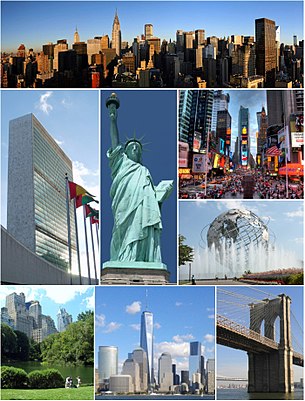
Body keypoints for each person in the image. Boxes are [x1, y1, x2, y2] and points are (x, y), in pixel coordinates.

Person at [106, 93, 173, 263]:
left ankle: (140, 258)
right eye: (131, 146)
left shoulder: (144, 171)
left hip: (143, 207)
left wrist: (161, 191)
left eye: (138, 147)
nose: (135, 148)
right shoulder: (120, 163)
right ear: (125, 152)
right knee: (123, 231)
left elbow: (152, 195)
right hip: (124, 205)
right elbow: (115, 142)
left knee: (143, 229)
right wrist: (113, 119)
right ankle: (124, 258)